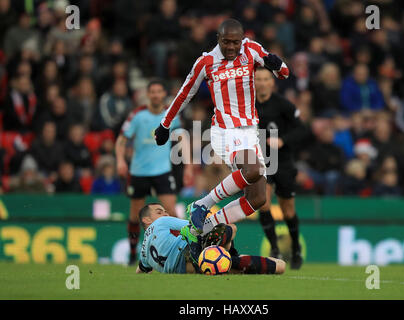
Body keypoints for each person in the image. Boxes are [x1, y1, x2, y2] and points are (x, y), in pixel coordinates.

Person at [154, 19, 290, 237]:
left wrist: (277, 64)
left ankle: (200, 229)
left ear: (242, 39)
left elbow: (284, 73)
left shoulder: (251, 49)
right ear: (218, 39)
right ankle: (202, 204)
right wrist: (164, 124)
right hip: (224, 131)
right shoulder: (206, 62)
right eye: (226, 42)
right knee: (252, 169)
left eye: (235, 42)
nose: (231, 47)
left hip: (250, 131)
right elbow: (184, 93)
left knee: (258, 198)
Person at [115, 79, 187, 265]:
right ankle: (132, 253)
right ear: (148, 95)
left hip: (162, 171)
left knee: (171, 211)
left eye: (159, 91)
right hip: (139, 172)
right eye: (152, 92)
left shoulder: (171, 115)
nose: (155, 95)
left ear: (163, 94)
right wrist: (120, 160)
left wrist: (188, 165)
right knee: (135, 214)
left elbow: (182, 138)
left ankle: (183, 250)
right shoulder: (137, 116)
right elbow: (122, 140)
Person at [254, 67, 308, 269]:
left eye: (265, 79)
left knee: (288, 210)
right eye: (258, 79)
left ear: (271, 82)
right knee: (263, 203)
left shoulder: (283, 104)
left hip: (283, 162)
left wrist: (283, 140)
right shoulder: (248, 105)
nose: (261, 83)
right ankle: (274, 248)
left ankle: (295, 249)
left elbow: (302, 129)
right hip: (261, 162)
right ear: (254, 82)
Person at [135, 203, 285, 275]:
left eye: (166, 211)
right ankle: (229, 254)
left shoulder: (144, 253)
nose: (166, 215)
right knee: (230, 228)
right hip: (190, 253)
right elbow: (197, 226)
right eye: (160, 212)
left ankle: (227, 257)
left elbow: (140, 271)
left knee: (230, 266)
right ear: (147, 220)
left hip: (188, 269)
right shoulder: (161, 222)